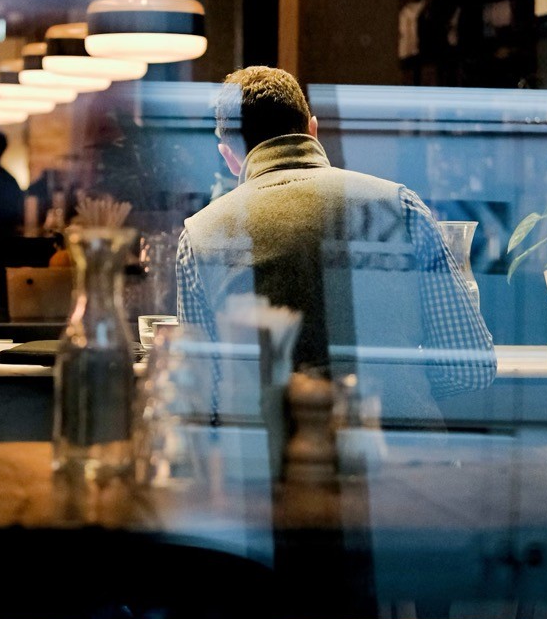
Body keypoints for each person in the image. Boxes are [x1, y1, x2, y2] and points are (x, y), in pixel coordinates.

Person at [176, 66, 495, 425]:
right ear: (312, 128)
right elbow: (470, 367)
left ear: (228, 155)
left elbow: (202, 395)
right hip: (401, 459)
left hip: (270, 468)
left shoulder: (200, 236)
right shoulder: (399, 206)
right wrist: (398, 386)